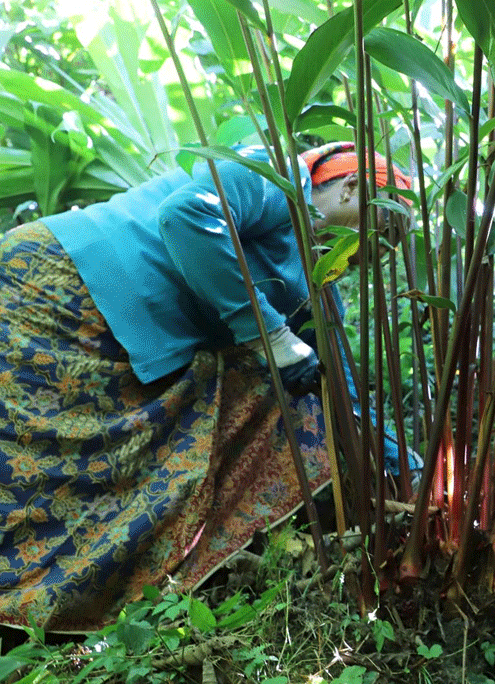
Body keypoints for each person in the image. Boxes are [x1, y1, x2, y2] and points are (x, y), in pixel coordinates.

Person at [0, 141, 414, 633]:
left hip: (113, 332)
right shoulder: (279, 176)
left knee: (288, 404)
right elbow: (186, 217)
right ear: (352, 188)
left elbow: (337, 391)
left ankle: (39, 604)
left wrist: (412, 472)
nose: (377, 257)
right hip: (56, 287)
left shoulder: (311, 280)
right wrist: (274, 336)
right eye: (384, 233)